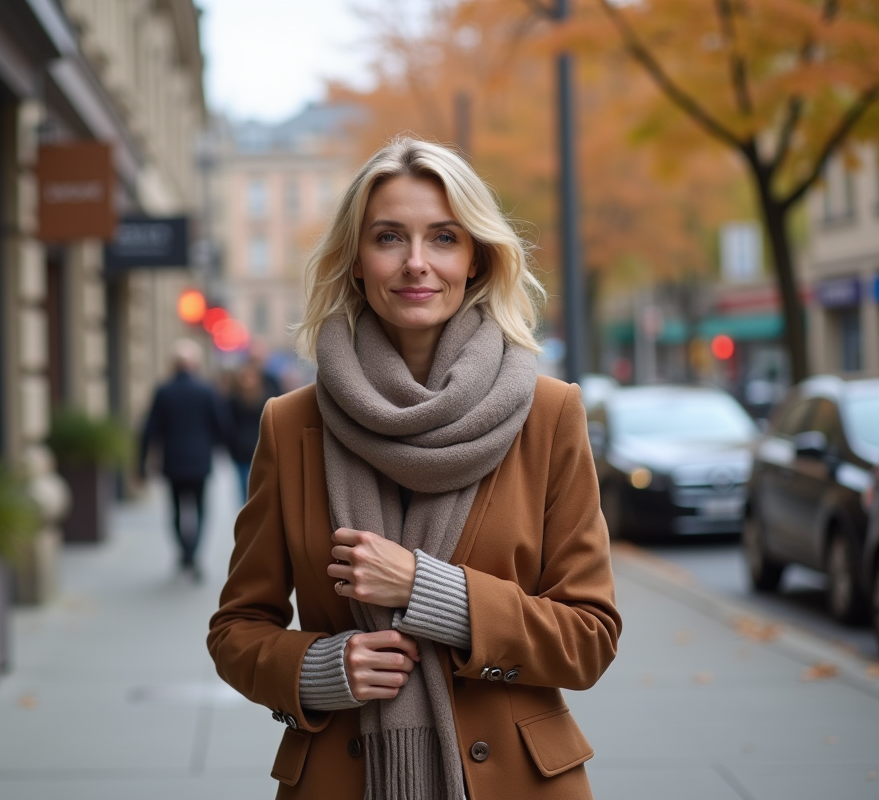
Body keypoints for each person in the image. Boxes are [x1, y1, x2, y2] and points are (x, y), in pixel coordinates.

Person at [208, 137, 621, 799]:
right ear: (356, 261)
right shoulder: (291, 426)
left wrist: (432, 593)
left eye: (444, 238)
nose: (417, 264)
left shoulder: (548, 414)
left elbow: (589, 638)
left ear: (477, 257)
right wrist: (320, 668)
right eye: (390, 237)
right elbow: (235, 631)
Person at [139, 339, 228, 581]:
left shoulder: (164, 391)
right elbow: (220, 425)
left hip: (173, 461)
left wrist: (141, 463)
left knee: (177, 510)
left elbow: (150, 430)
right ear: (195, 364)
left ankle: (185, 553)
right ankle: (193, 554)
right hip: (200, 460)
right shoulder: (206, 390)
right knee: (200, 510)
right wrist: (217, 447)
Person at [224, 360, 274, 503]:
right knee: (243, 485)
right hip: (240, 450)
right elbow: (227, 424)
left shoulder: (265, 397)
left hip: (261, 447)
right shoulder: (233, 399)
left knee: (260, 484)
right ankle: (247, 513)